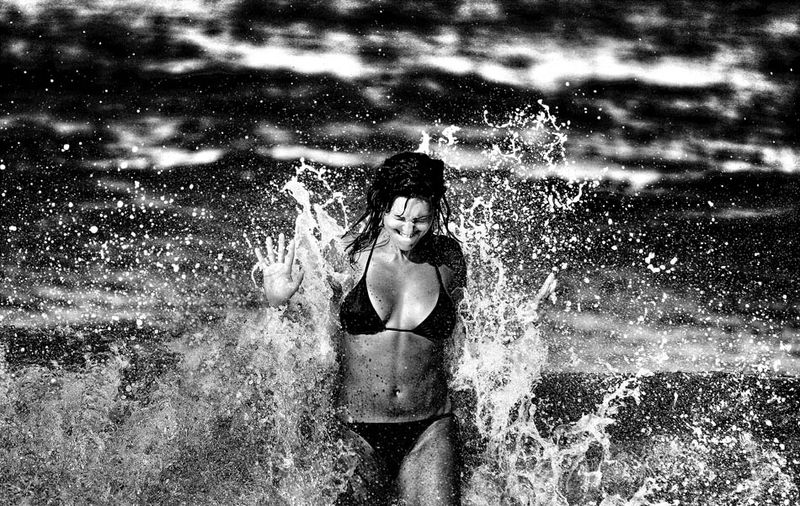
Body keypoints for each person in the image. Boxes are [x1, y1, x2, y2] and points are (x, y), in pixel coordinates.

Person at [254, 152, 466, 505]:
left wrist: (520, 325)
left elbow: (466, 335)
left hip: (430, 427)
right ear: (382, 207)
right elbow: (310, 336)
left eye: (421, 220)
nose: (409, 231)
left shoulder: (448, 258)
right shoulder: (349, 254)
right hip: (357, 430)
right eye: (399, 218)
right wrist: (278, 301)